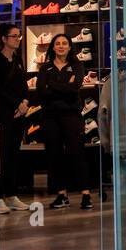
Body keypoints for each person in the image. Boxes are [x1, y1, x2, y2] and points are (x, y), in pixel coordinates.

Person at [36, 32, 92, 210]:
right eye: (57, 43)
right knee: (54, 155)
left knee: (77, 153)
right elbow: (41, 92)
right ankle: (62, 194)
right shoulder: (45, 68)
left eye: (64, 43)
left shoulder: (77, 66)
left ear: (69, 47)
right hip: (50, 117)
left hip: (71, 116)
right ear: (53, 47)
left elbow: (75, 87)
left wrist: (53, 85)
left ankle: (85, 194)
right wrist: (65, 87)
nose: (60, 46)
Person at [0, 23, 33, 212]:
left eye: (19, 36)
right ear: (4, 38)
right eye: (13, 36)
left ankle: (11, 194)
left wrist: (25, 102)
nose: (17, 39)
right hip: (4, 113)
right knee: (1, 154)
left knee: (13, 153)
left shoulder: (18, 59)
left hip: (19, 113)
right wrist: (16, 103)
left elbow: (23, 83)